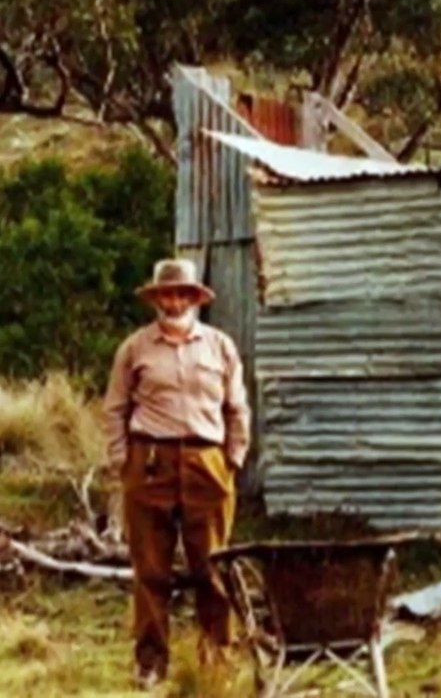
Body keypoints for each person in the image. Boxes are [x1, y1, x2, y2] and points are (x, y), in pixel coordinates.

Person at [102, 257, 251, 688]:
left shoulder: (220, 346)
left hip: (208, 463)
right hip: (150, 464)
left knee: (213, 566)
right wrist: (122, 462)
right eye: (166, 294)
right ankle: (150, 661)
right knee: (151, 569)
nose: (173, 301)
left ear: (194, 298)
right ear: (156, 299)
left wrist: (232, 460)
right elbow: (115, 409)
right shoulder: (134, 349)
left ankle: (217, 658)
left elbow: (237, 408)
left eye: (181, 293)